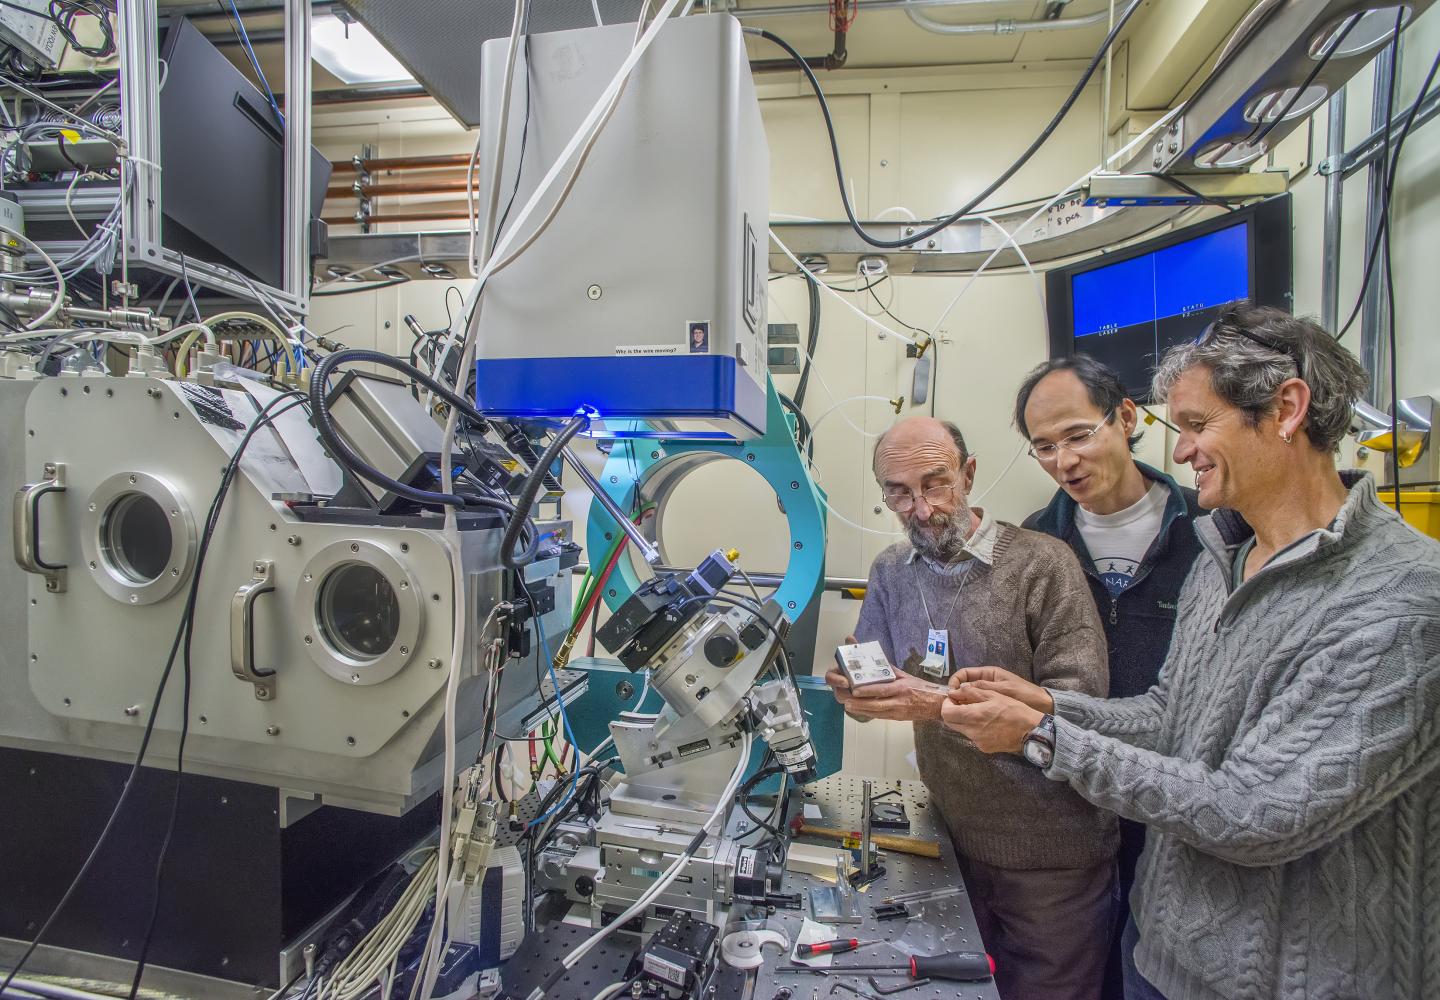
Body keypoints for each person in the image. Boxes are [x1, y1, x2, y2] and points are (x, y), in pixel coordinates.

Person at [941, 304, 1440, 1000]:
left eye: (1199, 426)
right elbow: (1171, 713)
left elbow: (1254, 811)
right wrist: (1050, 704)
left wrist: (1046, 736)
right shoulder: (1223, 554)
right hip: (1162, 956)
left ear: (1287, 409)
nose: (1180, 451)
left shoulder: (1401, 601)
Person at [825, 415, 1118, 1000]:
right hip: (949, 840)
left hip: (1050, 857)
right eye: (899, 492)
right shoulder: (889, 571)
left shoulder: (1043, 564)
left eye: (936, 484)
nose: (922, 508)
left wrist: (931, 704)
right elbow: (873, 698)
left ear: (970, 473)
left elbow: (1082, 710)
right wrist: (853, 694)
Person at [1013, 355, 1203, 997]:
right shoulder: (1036, 546)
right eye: (1043, 447)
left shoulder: (1215, 533)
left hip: (1183, 806)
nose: (1063, 462)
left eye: (1077, 435)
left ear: (1126, 417)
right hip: (1076, 801)